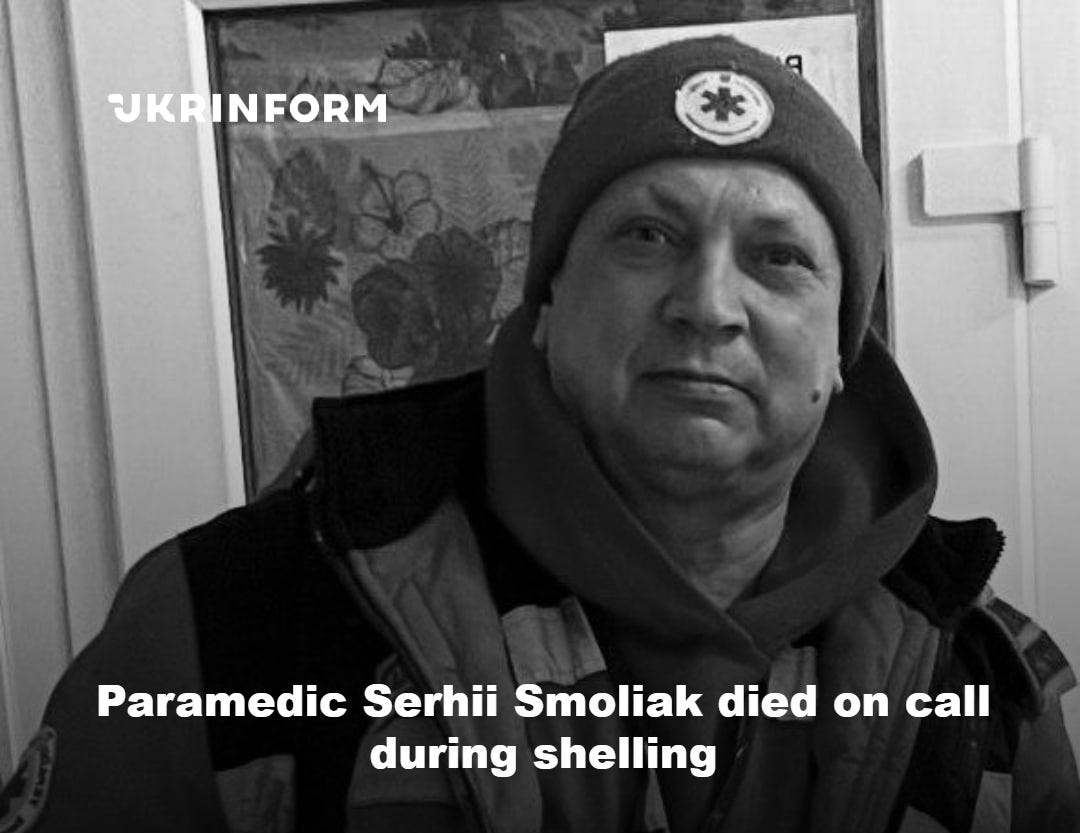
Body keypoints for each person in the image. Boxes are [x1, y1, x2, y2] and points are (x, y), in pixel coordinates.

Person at [2, 35, 1077, 833]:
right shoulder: (224, 625)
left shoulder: (983, 681)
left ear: (841, 350)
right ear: (548, 303)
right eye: (647, 235)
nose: (709, 304)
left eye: (778, 257)